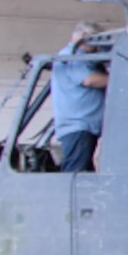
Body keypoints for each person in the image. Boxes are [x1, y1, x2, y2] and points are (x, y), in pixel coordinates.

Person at [51, 23, 110, 173]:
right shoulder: (72, 55)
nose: (99, 48)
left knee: (84, 175)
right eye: (97, 42)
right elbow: (90, 79)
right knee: (76, 174)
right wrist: (121, 79)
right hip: (78, 125)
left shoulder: (80, 57)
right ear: (85, 36)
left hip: (85, 126)